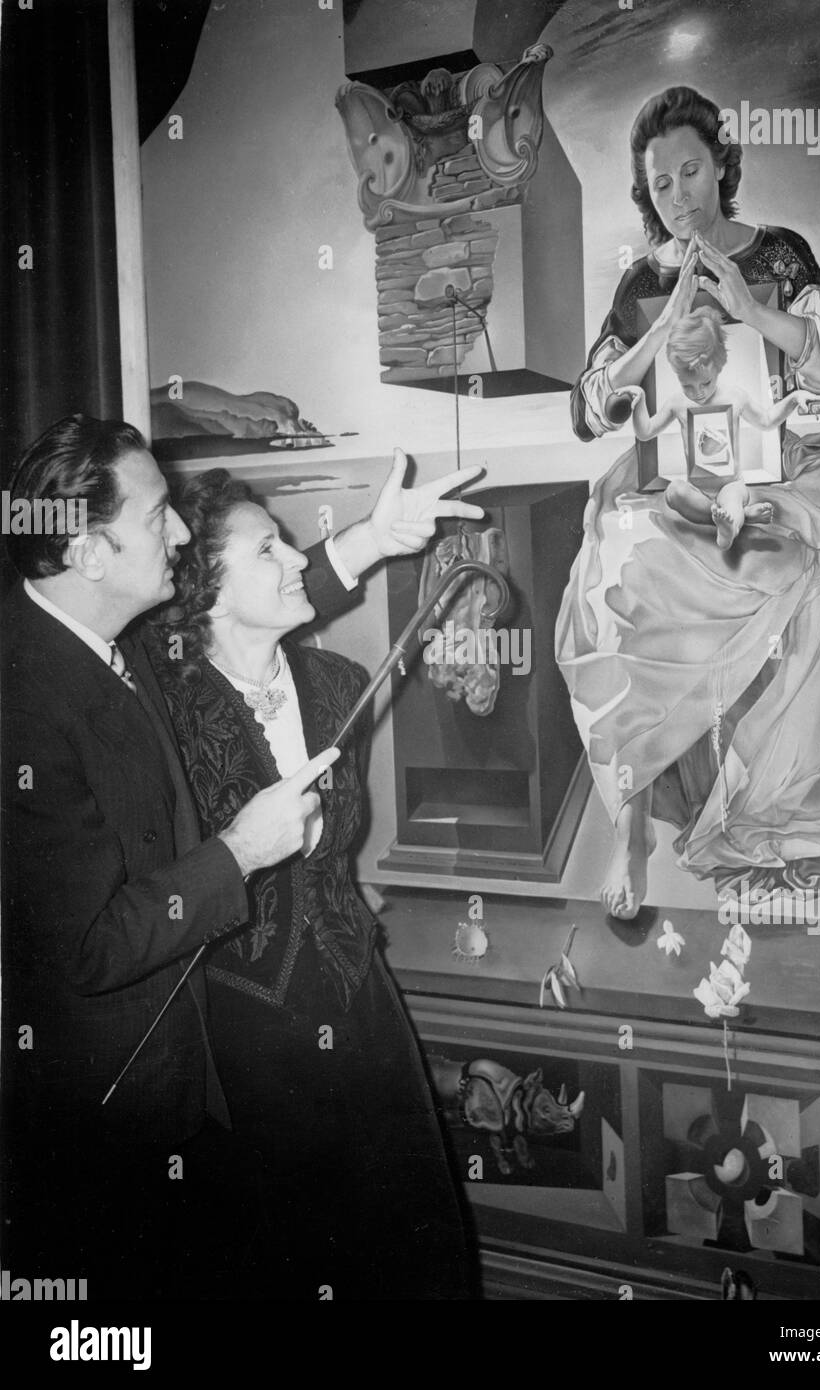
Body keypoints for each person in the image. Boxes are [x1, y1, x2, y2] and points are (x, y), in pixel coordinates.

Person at [0, 414, 482, 1297]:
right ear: (90, 552)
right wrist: (239, 853)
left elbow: (257, 610)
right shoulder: (63, 691)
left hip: (357, 1008)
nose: (177, 533)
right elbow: (87, 945)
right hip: (201, 1060)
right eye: (157, 518)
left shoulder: (127, 651)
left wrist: (373, 540)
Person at [557, 85, 820, 921]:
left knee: (810, 559)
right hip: (674, 479)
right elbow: (593, 404)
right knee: (618, 570)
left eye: (690, 171)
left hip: (776, 470)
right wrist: (655, 339)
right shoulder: (641, 279)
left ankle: (783, 801)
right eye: (659, 183)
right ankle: (631, 825)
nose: (677, 196)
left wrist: (750, 311)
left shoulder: (776, 253)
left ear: (721, 166)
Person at [147, 470, 477, 1300]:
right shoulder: (164, 705)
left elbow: (331, 853)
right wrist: (362, 542)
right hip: (249, 1031)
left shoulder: (335, 686)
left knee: (409, 1242)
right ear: (205, 588)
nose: (294, 556)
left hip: (362, 1000)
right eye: (268, 548)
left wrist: (338, 885)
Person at [631, 302, 812, 548]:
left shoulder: (734, 397)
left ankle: (728, 529)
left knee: (732, 499)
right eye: (688, 386)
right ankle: (739, 519)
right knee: (674, 492)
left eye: (705, 383)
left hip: (731, 485)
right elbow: (646, 432)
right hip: (698, 492)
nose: (697, 392)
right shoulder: (677, 403)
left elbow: (767, 421)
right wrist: (639, 401)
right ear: (677, 376)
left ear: (719, 366)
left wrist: (792, 399)